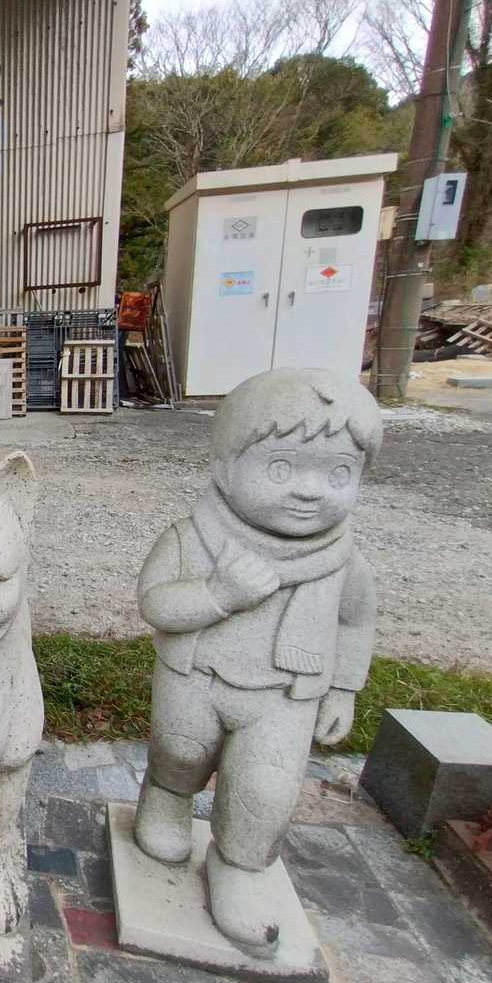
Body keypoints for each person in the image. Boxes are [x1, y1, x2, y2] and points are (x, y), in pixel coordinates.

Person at [133, 367, 381, 951]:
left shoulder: (342, 563)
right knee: (179, 750)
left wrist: (343, 688)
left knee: (265, 789)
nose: (309, 490)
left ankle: (240, 868)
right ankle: (165, 802)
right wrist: (218, 594)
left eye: (338, 473)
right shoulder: (192, 539)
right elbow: (155, 603)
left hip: (285, 696)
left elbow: (355, 622)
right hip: (195, 677)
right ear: (223, 468)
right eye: (281, 468)